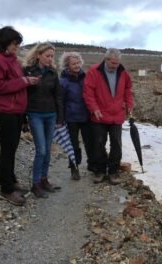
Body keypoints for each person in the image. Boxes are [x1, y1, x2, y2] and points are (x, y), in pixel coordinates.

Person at [0, 26, 40, 206]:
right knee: (7, 151)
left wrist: (28, 80)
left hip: (15, 112)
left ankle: (11, 181)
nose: (17, 47)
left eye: (18, 44)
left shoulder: (12, 60)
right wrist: (24, 81)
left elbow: (16, 81)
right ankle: (6, 189)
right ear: (5, 43)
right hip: (4, 112)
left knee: (12, 149)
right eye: (15, 43)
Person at [83, 48, 134, 185]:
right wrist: (94, 108)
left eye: (117, 63)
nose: (115, 66)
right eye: (113, 63)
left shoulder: (123, 72)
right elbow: (88, 92)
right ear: (105, 60)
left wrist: (129, 104)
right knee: (99, 143)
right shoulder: (94, 71)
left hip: (117, 115)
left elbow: (128, 89)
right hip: (99, 115)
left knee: (116, 144)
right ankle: (100, 170)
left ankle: (113, 171)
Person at [23, 43, 63, 198]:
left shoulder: (53, 72)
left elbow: (58, 95)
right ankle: (35, 184)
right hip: (35, 114)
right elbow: (23, 95)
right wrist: (23, 119)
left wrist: (60, 117)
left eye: (52, 56)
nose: (50, 59)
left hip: (51, 115)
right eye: (47, 56)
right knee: (41, 150)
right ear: (38, 55)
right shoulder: (28, 71)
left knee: (48, 149)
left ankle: (44, 179)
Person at [59, 51, 93, 180]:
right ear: (67, 65)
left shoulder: (86, 77)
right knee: (73, 144)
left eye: (78, 62)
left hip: (86, 116)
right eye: (73, 63)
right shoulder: (63, 81)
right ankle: (74, 167)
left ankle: (93, 165)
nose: (77, 65)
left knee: (90, 142)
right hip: (71, 117)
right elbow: (60, 101)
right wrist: (61, 119)